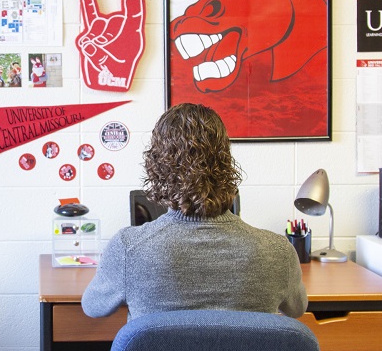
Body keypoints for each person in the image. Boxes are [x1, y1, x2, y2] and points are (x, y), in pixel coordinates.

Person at [82, 103, 307, 321]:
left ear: (157, 165)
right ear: (226, 163)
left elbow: (93, 308)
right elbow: (297, 308)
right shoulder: (278, 251)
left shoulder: (128, 249)